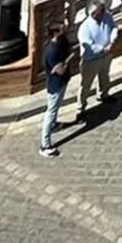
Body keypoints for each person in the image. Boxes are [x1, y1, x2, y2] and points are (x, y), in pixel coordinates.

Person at [77, 0, 118, 116]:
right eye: (94, 13)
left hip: (106, 55)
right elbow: (88, 44)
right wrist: (102, 49)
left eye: (99, 12)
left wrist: (112, 39)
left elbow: (114, 27)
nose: (98, 15)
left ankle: (103, 95)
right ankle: (81, 108)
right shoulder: (85, 27)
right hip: (91, 60)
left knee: (104, 76)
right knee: (86, 84)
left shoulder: (107, 16)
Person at [39, 21, 74, 157]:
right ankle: (45, 145)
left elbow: (68, 53)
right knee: (51, 112)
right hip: (55, 84)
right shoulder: (51, 51)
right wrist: (67, 61)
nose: (65, 29)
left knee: (57, 107)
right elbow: (59, 70)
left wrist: (65, 62)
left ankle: (53, 125)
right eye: (62, 28)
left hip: (63, 81)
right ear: (55, 32)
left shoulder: (62, 40)